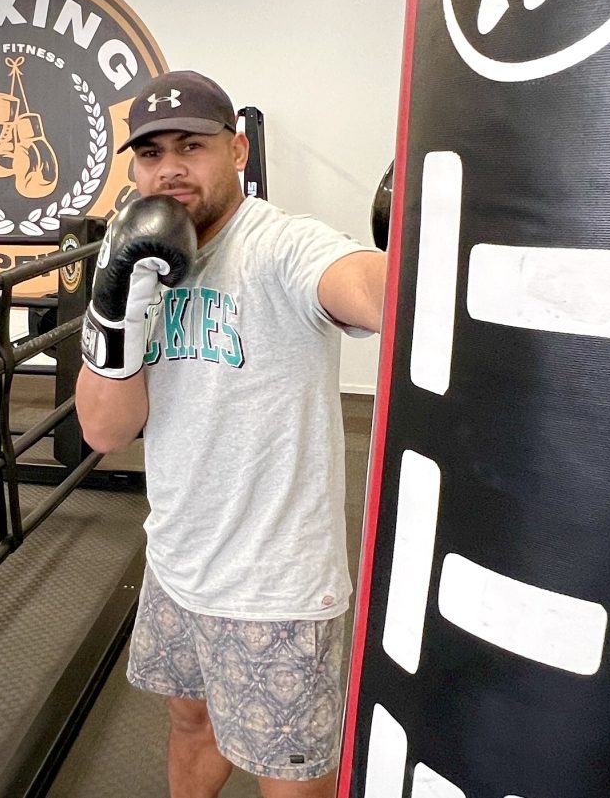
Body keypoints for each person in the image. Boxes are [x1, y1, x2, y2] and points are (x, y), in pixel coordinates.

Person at [75, 69, 386, 798]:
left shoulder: (279, 244)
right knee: (192, 722)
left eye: (193, 146)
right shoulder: (134, 257)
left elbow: (364, 287)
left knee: (289, 776)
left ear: (237, 150)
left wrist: (420, 258)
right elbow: (104, 428)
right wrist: (120, 301)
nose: (171, 168)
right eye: (151, 154)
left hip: (275, 587)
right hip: (178, 560)